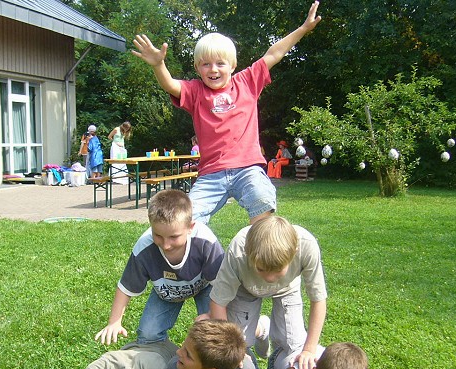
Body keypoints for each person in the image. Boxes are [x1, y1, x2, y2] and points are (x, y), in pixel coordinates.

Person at [131, 2, 322, 224]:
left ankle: (260, 243)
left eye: (220, 63)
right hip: (211, 174)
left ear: (232, 65)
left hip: (247, 169)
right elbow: (171, 85)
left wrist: (303, 28)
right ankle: (197, 245)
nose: (213, 69)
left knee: (261, 198)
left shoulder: (247, 82)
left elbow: (275, 53)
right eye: (205, 64)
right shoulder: (196, 91)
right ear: (197, 68)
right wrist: (158, 65)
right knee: (186, 219)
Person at [95, 189, 224, 345]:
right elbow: (126, 287)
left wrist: (211, 314)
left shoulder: (206, 242)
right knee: (148, 334)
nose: (166, 245)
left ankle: (199, 357)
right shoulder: (144, 248)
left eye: (174, 237)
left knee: (214, 330)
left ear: (190, 227)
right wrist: (114, 322)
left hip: (206, 287)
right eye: (158, 236)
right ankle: (165, 355)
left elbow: (224, 287)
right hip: (167, 291)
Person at [209, 214, 327, 369]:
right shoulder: (238, 251)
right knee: (241, 343)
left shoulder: (307, 246)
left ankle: (263, 331)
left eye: (278, 270)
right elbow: (218, 301)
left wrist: (309, 349)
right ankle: (261, 329)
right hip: (245, 288)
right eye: (261, 269)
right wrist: (231, 348)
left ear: (294, 253)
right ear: (248, 252)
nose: (270, 278)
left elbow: (318, 299)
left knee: (293, 344)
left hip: (287, 287)